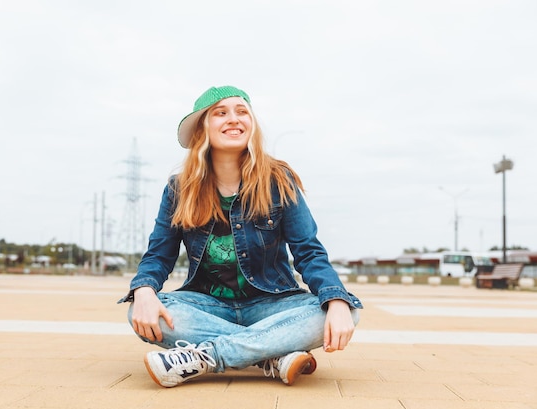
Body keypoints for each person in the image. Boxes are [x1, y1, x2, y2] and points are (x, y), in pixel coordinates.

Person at [118, 85, 362, 388]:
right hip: (208, 305)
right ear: (201, 129)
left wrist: (335, 299)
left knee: (345, 310)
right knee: (141, 312)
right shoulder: (179, 189)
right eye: (221, 113)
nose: (234, 119)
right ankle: (270, 354)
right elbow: (159, 255)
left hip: (272, 305)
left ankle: (208, 355)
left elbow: (308, 251)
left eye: (242, 111)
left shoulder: (278, 180)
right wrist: (143, 292)